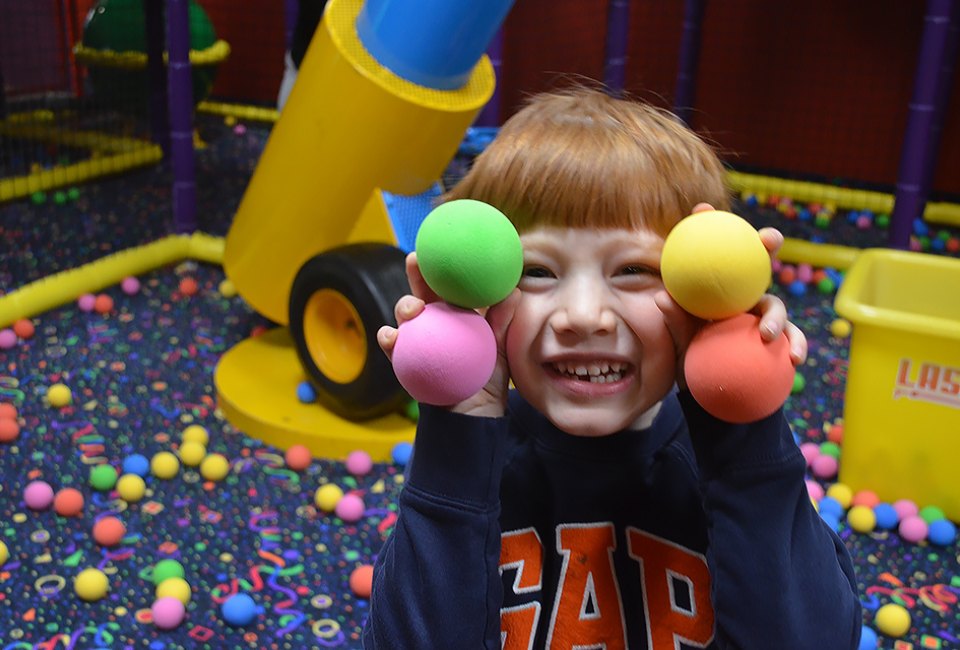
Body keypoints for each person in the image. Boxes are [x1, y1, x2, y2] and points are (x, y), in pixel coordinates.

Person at [362, 86, 862, 649]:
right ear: (478, 291)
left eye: (631, 269)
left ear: (700, 288)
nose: (582, 316)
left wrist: (740, 421)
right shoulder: (474, 466)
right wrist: (456, 435)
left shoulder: (724, 460)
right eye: (537, 272)